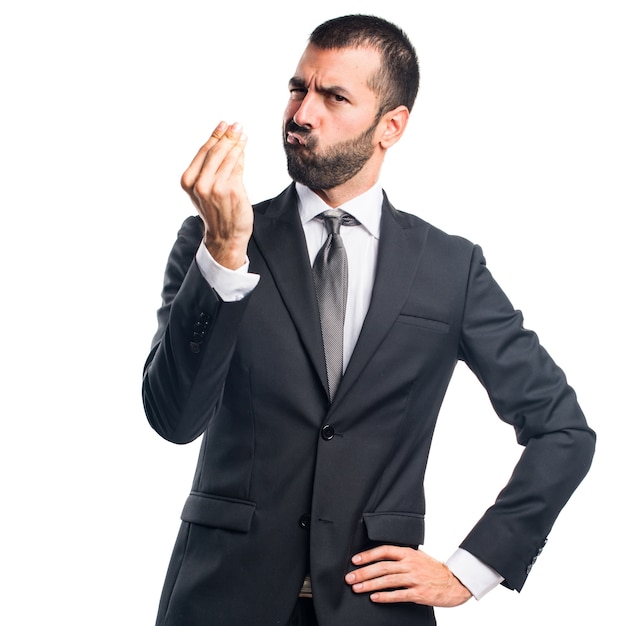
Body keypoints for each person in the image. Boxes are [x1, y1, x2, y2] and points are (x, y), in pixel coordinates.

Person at [142, 14, 595, 626]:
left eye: (333, 97)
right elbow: (174, 419)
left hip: (376, 612)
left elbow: (562, 430)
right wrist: (223, 257)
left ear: (392, 125)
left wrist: (472, 569)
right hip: (220, 601)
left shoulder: (450, 268)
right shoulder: (213, 240)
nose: (302, 114)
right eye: (298, 89)